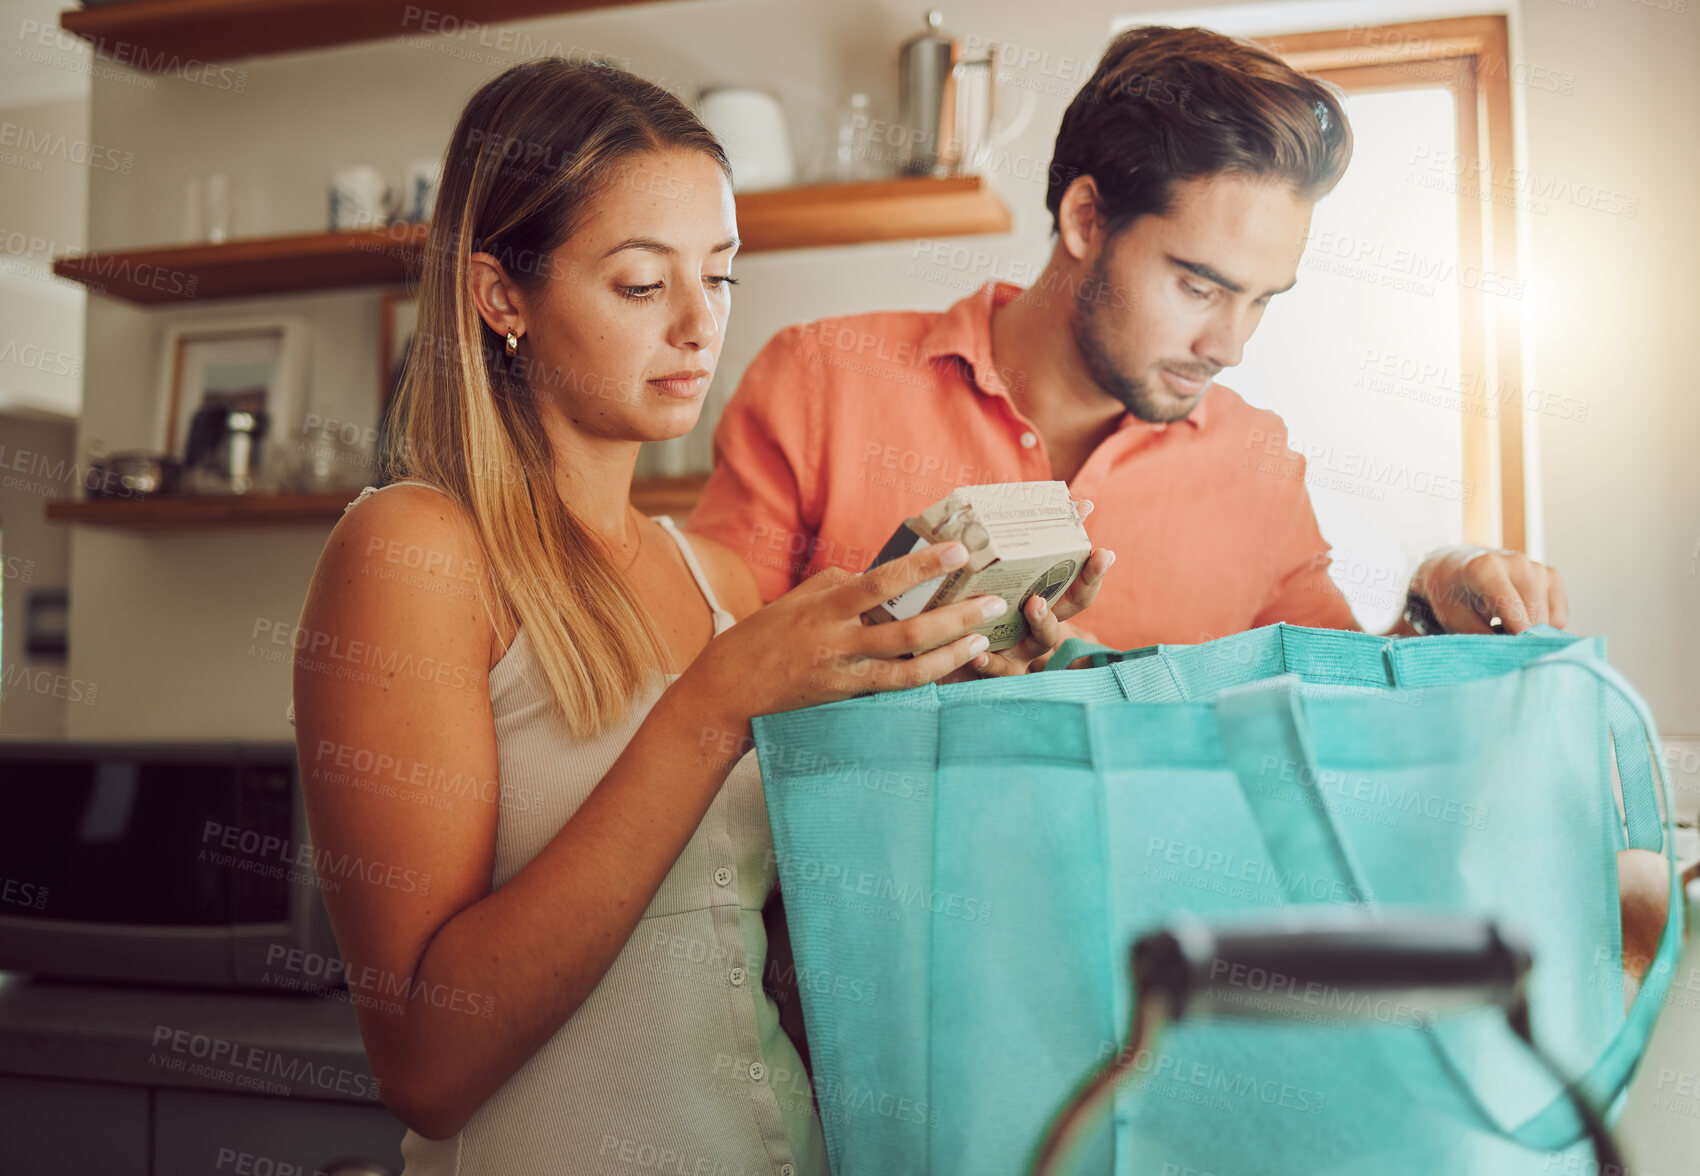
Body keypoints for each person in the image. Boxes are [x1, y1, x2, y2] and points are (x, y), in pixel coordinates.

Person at [288, 58, 1102, 1175]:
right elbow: (427, 1067)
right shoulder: (413, 552)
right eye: (638, 284)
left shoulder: (715, 574)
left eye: (719, 276)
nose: (696, 324)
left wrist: (949, 673)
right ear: (500, 295)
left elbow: (768, 936)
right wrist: (713, 705)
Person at [687, 24, 1569, 653]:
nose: (1230, 344)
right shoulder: (822, 381)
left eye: (1263, 300)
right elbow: (708, 681)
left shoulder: (1256, 461)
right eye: (1199, 285)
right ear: (1085, 216)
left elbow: (1333, 712)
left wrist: (1432, 600)